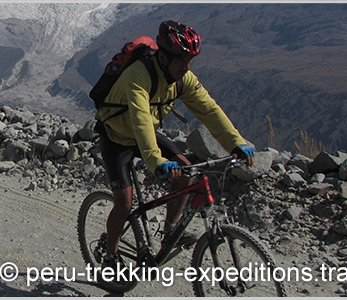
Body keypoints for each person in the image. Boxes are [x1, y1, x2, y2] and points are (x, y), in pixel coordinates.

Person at [94, 20, 255, 267]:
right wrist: (155, 161)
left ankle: (170, 230)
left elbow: (209, 110)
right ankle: (110, 256)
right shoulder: (138, 75)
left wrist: (236, 143)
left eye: (190, 60)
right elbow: (141, 120)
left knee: (186, 171)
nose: (186, 66)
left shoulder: (184, 78)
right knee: (124, 204)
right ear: (164, 57)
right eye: (181, 60)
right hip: (116, 136)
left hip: (146, 133)